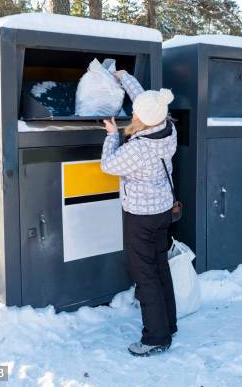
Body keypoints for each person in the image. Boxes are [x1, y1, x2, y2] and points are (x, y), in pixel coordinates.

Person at [101, 70, 177, 357]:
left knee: (145, 274)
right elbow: (145, 100)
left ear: (142, 118)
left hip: (141, 218)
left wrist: (111, 136)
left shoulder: (141, 148)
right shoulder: (168, 128)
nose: (132, 115)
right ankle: (168, 324)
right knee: (160, 267)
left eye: (135, 114)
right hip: (161, 211)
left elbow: (108, 165)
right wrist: (124, 77)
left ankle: (156, 337)